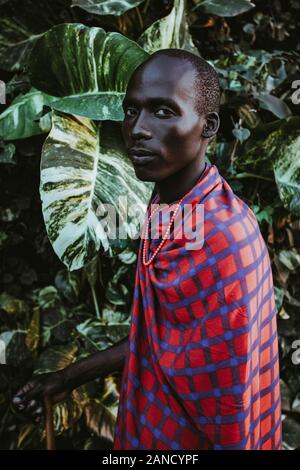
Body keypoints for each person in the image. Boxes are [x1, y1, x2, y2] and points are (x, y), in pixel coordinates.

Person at [13, 48, 282, 450]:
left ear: (208, 125)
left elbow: (233, 404)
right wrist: (68, 377)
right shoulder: (169, 207)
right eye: (131, 111)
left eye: (162, 112)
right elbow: (157, 340)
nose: (138, 129)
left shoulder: (225, 239)